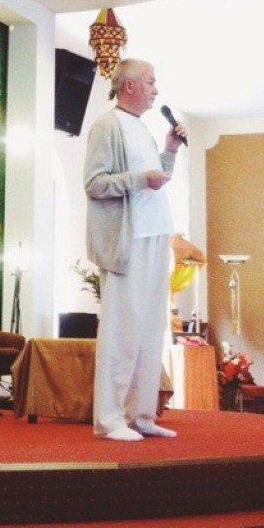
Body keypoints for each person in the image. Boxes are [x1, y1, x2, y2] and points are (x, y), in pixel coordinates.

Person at [83, 58, 187, 441]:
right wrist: (142, 178)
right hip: (127, 242)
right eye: (150, 82)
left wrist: (170, 150)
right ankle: (109, 420)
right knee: (121, 333)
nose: (156, 89)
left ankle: (141, 416)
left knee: (150, 330)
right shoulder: (106, 126)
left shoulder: (142, 128)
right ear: (129, 86)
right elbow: (95, 184)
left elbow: (156, 178)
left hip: (156, 235)